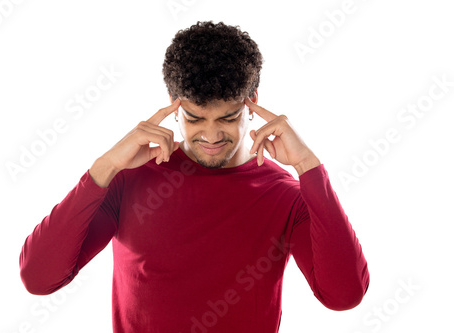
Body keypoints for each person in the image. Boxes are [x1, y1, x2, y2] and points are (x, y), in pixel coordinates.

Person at [19, 21, 370, 333]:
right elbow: (38, 278)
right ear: (173, 103)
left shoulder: (289, 196)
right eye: (195, 118)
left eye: (228, 118)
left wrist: (308, 166)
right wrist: (105, 167)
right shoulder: (128, 181)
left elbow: (343, 296)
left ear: (253, 102)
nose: (212, 136)